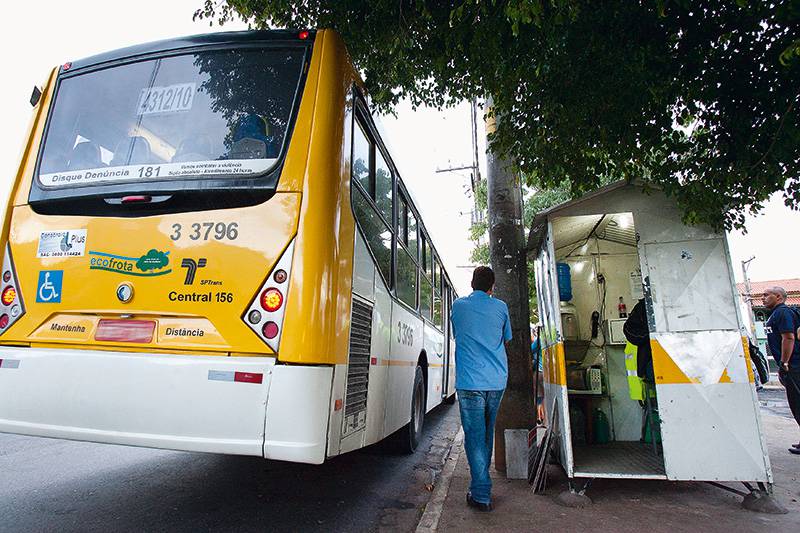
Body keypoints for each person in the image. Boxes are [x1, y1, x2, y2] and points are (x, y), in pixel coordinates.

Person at [450, 266, 512, 512]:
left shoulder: (458, 306)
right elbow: (506, 338)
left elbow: (458, 334)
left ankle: (482, 494)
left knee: (475, 438)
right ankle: (480, 487)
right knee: (486, 435)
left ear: (472, 283)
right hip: (496, 381)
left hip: (470, 382)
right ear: (492, 286)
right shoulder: (501, 307)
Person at [762, 287, 800, 454]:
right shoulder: (776, 314)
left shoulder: (782, 313)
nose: (763, 298)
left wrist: (785, 363)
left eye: (766, 295)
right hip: (791, 366)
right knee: (796, 404)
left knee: (798, 402)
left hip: (794, 366)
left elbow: (789, 337)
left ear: (777, 297)